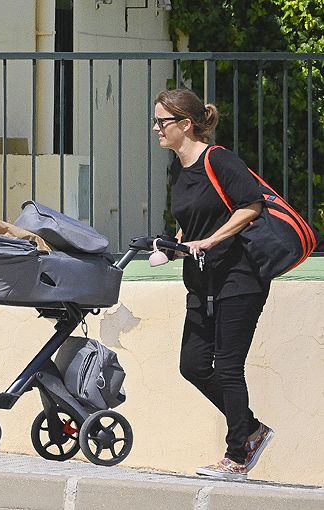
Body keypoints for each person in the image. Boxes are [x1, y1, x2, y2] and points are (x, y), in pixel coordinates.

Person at [153, 88, 275, 480]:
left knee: (227, 367)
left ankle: (237, 454)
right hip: (202, 280)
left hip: (240, 277)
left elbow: (251, 204)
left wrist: (209, 241)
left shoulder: (218, 159)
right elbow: (192, 218)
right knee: (192, 364)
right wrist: (177, 244)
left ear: (185, 125)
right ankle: (251, 429)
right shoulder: (177, 168)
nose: (156, 128)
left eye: (162, 122)